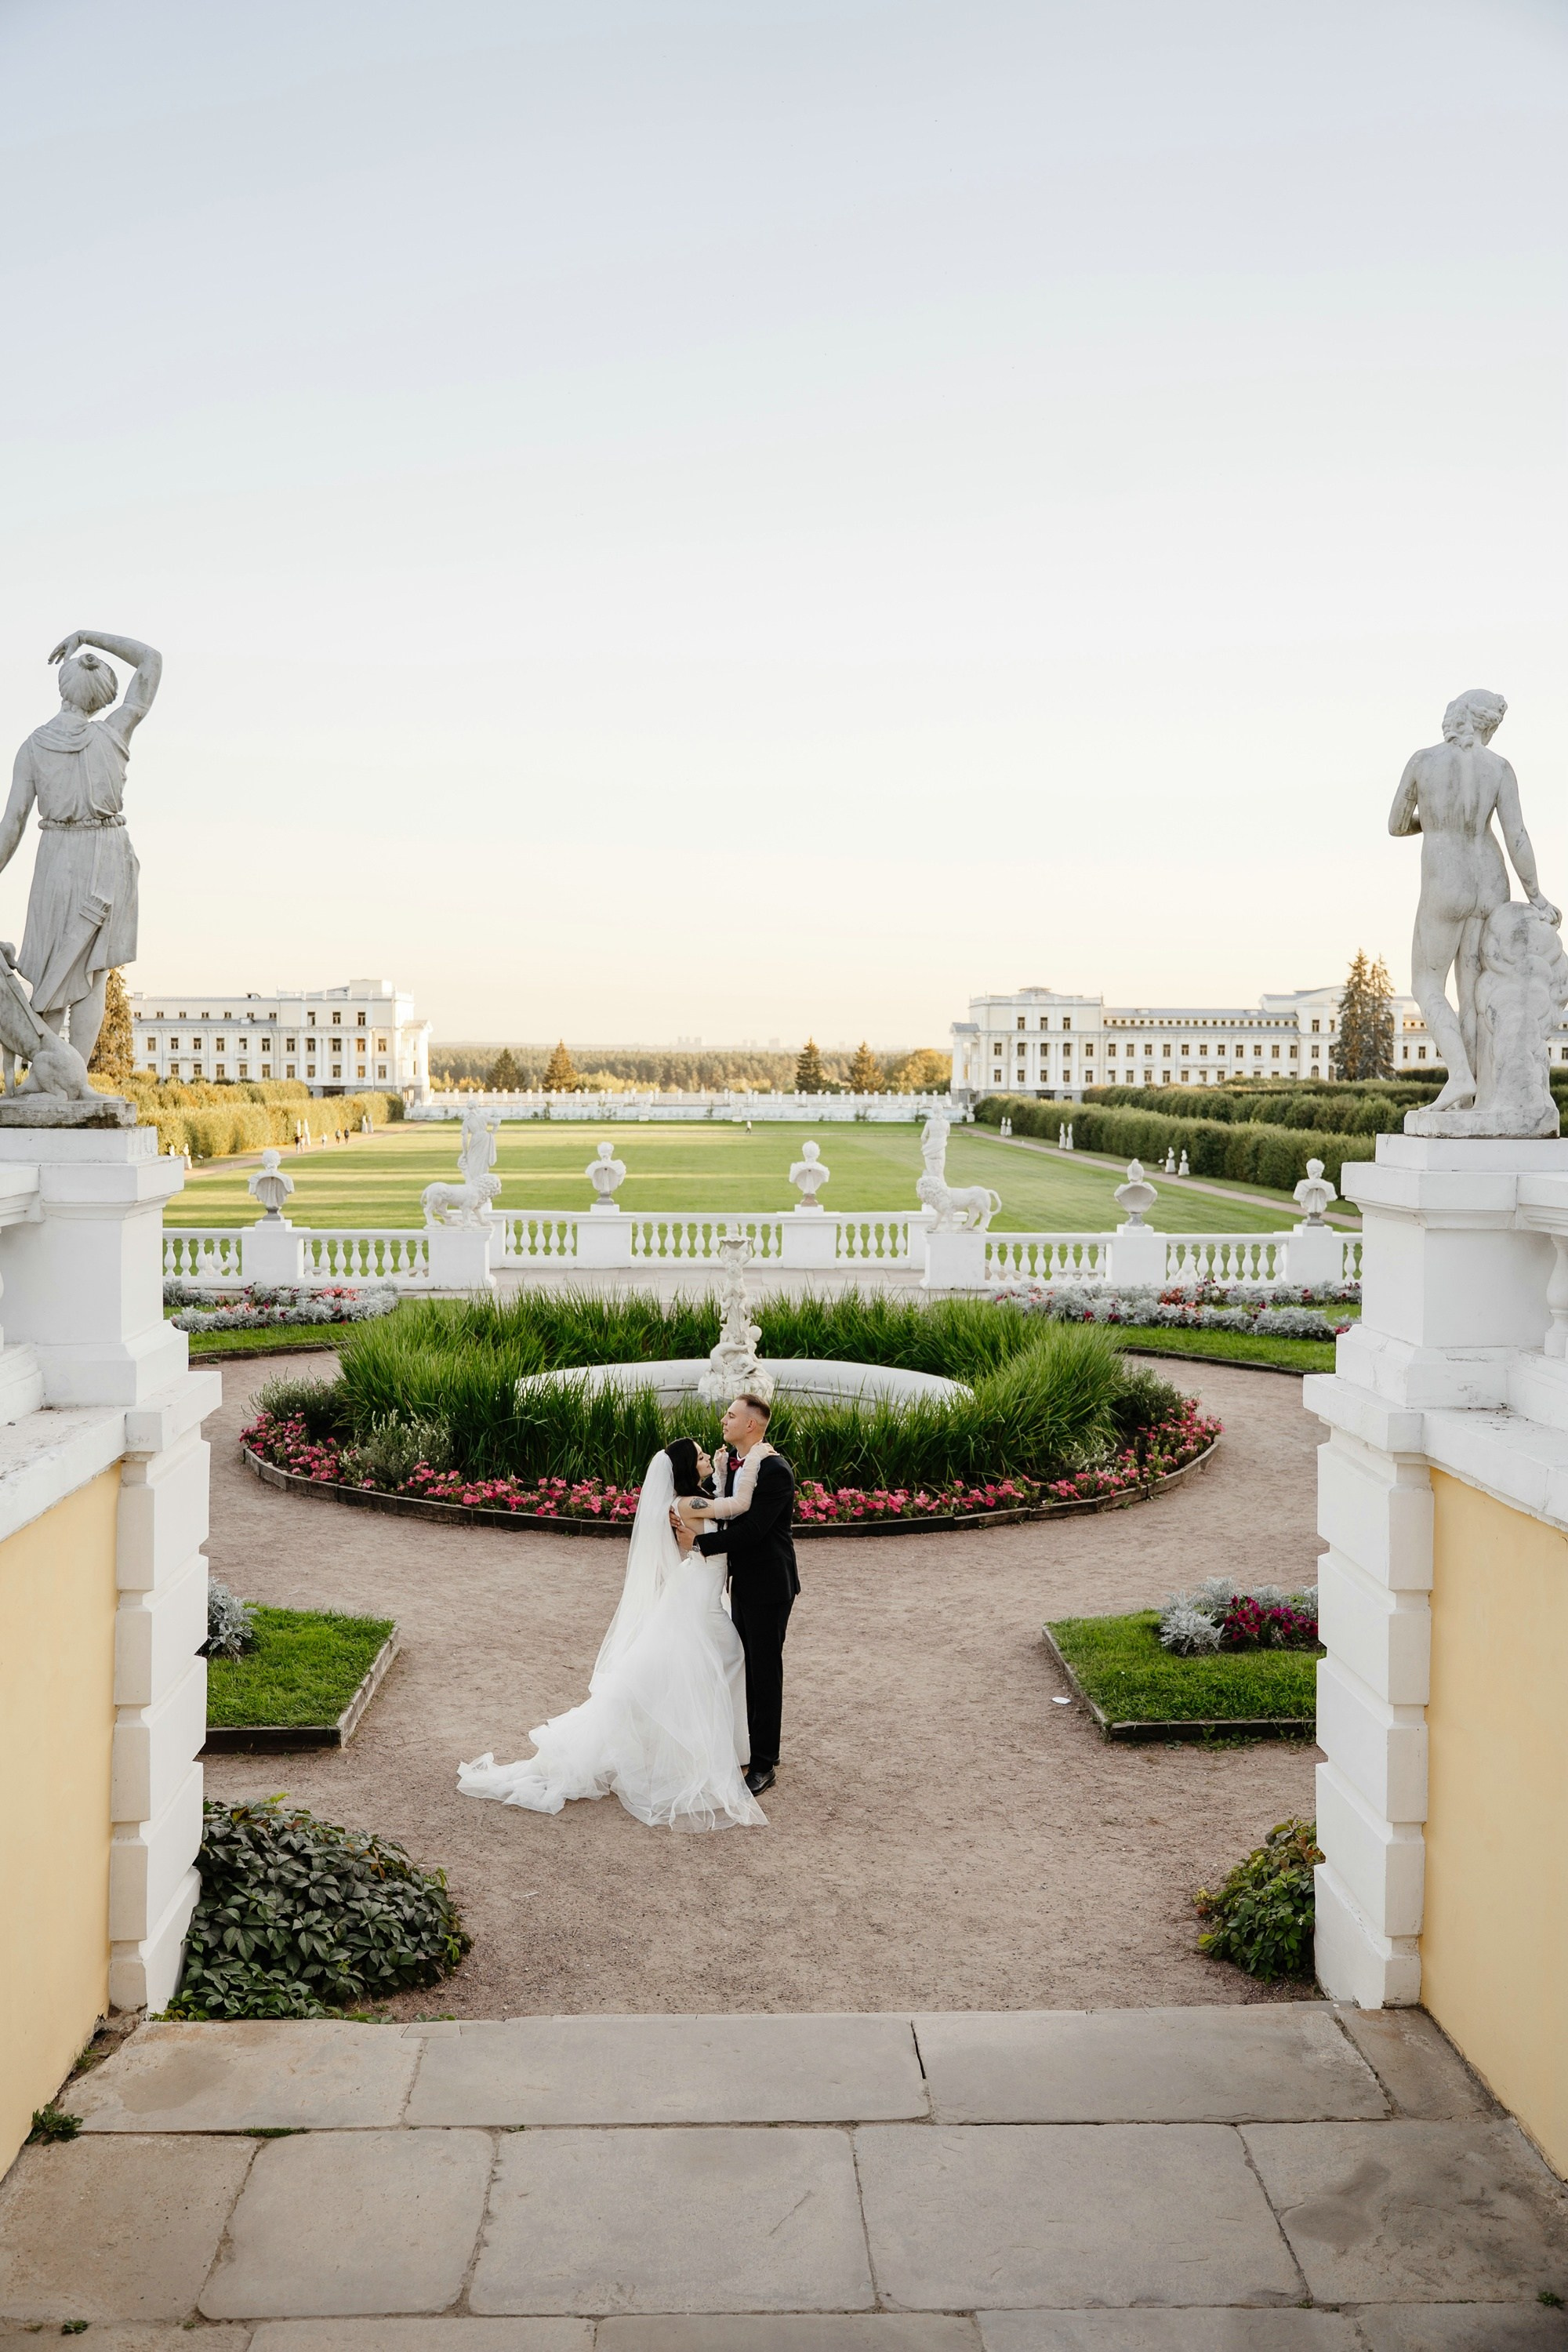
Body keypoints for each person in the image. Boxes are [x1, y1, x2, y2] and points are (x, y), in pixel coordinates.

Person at [457, 1437, 765, 1831]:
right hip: (701, 1597)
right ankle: (722, 1750)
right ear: (686, 1468)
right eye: (703, 1457)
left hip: (701, 1589)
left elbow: (720, 1508)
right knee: (723, 1660)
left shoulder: (692, 1499)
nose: (709, 1458)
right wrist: (752, 1460)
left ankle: (723, 1747)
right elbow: (737, 1507)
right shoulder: (687, 1504)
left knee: (703, 1669)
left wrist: (720, 1473)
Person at [1390, 689, 1560, 1113]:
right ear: (1486, 725)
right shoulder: (1499, 767)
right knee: (1473, 994)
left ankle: (1460, 1076)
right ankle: (1477, 1099)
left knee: (1427, 985)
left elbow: (1395, 825)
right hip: (1490, 877)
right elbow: (1516, 836)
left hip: (1446, 877)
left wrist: (1431, 823)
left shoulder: (1423, 761)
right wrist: (1536, 897)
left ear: (1456, 717)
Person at [0, 630, 162, 1065]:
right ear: (104, 698)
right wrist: (88, 636)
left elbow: (12, 825)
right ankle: (73, 1081)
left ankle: (45, 1077)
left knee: (52, 965)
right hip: (108, 852)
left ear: (63, 687)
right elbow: (150, 661)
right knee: (93, 971)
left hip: (57, 856)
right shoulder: (115, 732)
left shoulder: (32, 748)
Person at [676, 1393, 800, 1798]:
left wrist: (698, 1545)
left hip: (769, 1585)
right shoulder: (732, 1467)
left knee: (764, 1671)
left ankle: (764, 1764)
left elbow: (753, 1531)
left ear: (751, 1425)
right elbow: (710, 1500)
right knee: (747, 1667)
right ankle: (755, 1747)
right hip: (743, 1583)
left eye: (731, 1415)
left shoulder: (775, 1470)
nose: (723, 1420)